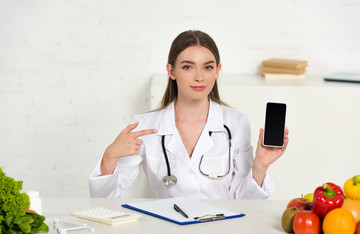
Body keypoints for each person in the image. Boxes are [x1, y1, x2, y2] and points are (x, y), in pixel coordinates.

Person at [89, 30, 289, 199]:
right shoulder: (144, 126)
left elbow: (244, 202)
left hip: (221, 230)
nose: (199, 77)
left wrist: (260, 166)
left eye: (208, 67)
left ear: (217, 70)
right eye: (187, 67)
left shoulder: (236, 123)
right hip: (166, 230)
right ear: (171, 71)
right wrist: (110, 155)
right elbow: (105, 201)